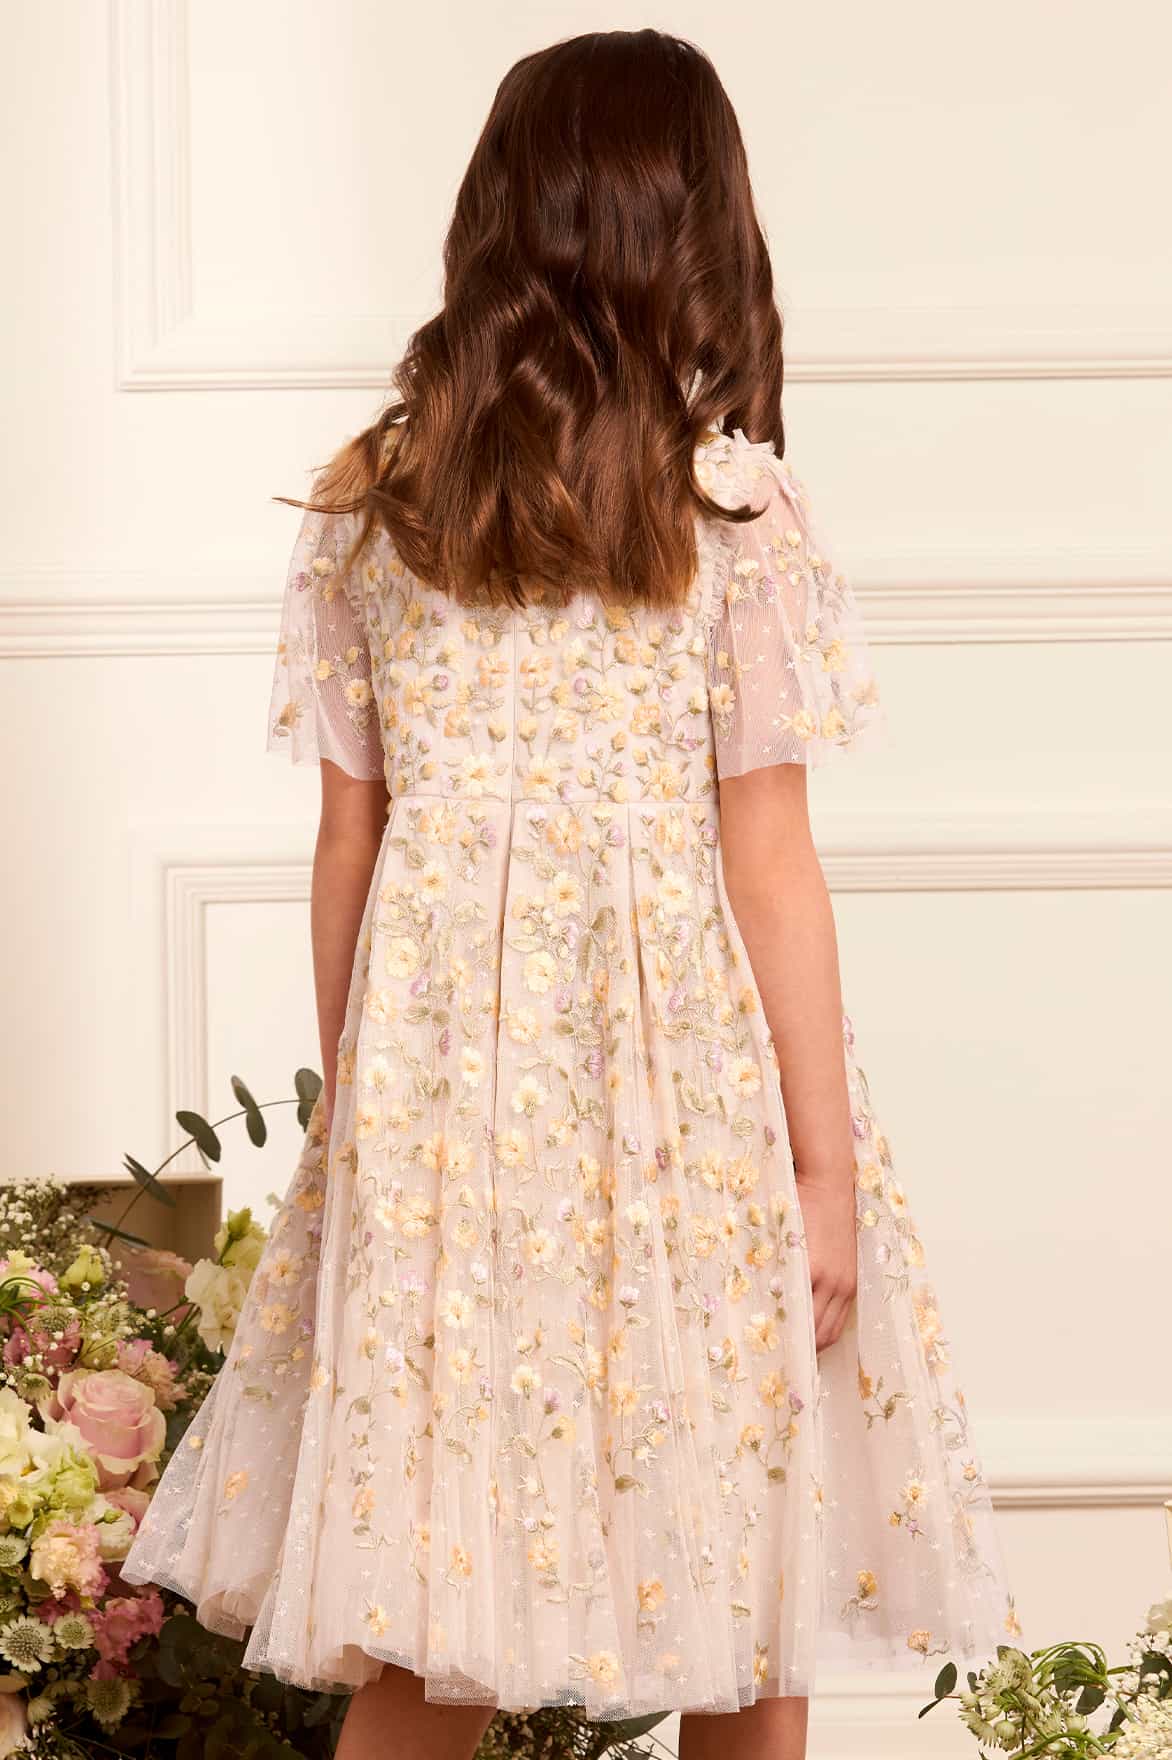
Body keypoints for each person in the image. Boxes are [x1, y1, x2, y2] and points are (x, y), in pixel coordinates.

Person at [121, 28, 1017, 1759]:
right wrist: (822, 1174)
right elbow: (770, 855)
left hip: (451, 1105)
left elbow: (349, 844)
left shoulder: (375, 504)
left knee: (432, 1588)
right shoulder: (726, 509)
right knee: (738, 1554)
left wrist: (362, 1111)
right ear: (697, 228)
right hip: (687, 1090)